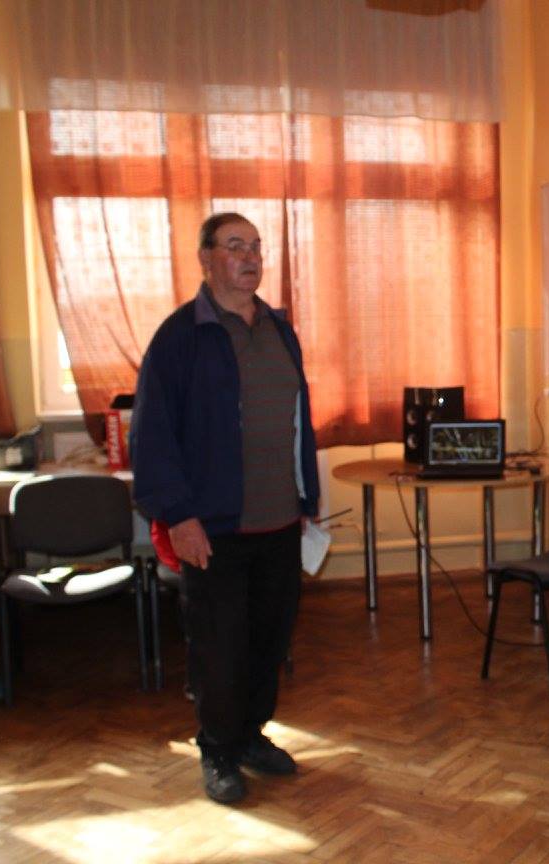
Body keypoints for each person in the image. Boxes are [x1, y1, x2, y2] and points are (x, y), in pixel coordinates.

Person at [130, 213, 320, 804]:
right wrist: (178, 516)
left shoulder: (279, 328)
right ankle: (217, 748)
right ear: (206, 258)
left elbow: (296, 420)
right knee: (218, 646)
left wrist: (306, 496)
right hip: (212, 526)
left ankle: (251, 734)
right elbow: (152, 436)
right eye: (235, 245)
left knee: (269, 639)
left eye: (256, 246)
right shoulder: (181, 336)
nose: (250, 256)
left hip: (279, 519)